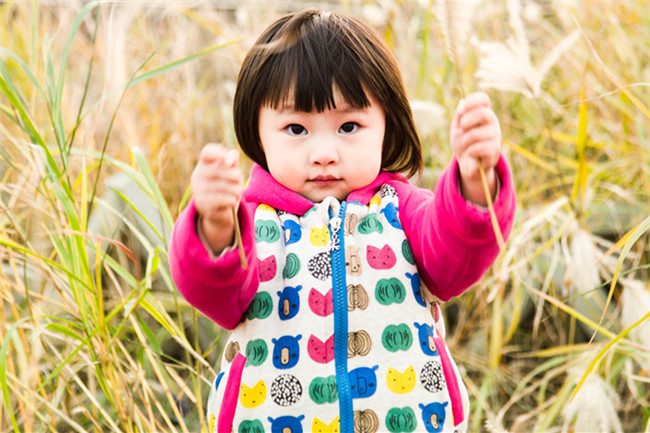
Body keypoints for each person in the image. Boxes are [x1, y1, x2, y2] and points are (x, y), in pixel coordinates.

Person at [169, 9, 516, 433]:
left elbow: (456, 254)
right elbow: (215, 294)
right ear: (257, 132)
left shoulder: (404, 213)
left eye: (349, 125)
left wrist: (475, 179)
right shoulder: (254, 225)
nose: (324, 153)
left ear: (387, 125)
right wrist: (216, 225)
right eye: (296, 129)